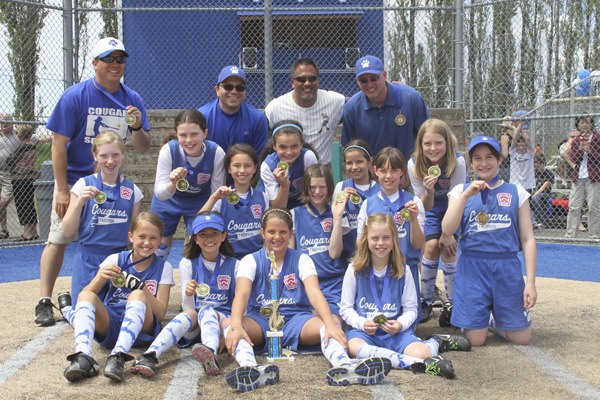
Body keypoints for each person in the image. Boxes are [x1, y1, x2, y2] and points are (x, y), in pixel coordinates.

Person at [35, 37, 151, 327]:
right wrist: (62, 189)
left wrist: (136, 125)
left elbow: (144, 145)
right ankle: (45, 300)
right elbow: (58, 145)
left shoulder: (133, 98)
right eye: (109, 59)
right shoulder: (76, 96)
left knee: (114, 238)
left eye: (120, 59)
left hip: (109, 180)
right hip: (76, 180)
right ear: (95, 63)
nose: (115, 64)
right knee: (58, 239)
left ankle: (112, 293)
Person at [223, 208, 350, 392]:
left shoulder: (302, 259)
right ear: (262, 233)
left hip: (296, 321)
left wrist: (330, 323)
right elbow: (242, 293)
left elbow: (314, 293)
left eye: (283, 232)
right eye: (271, 232)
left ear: (291, 233)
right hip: (261, 321)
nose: (277, 237)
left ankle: (344, 365)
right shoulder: (249, 261)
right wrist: (235, 326)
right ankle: (250, 368)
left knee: (331, 324)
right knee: (230, 323)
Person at [338, 213, 471, 381]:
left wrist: (400, 324)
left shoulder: (403, 270)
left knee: (422, 352)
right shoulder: (354, 270)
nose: (380, 243)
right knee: (353, 348)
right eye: (375, 238)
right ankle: (415, 363)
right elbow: (346, 309)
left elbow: (411, 309)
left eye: (386, 238)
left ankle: (436, 342)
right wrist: (362, 323)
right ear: (366, 239)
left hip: (394, 332)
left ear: (394, 239)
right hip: (364, 332)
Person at [442, 135, 537, 346]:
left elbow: (528, 238)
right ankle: (486, 316)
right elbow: (447, 229)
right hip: (472, 267)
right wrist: (466, 196)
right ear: (471, 162)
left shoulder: (516, 192)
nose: (483, 163)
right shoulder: (459, 191)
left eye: (489, 157)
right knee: (475, 340)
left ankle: (495, 318)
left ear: (500, 160)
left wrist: (530, 283)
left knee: (521, 339)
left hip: (506, 266)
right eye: (477, 158)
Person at [61, 211, 174, 383]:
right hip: (112, 324)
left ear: (160, 240)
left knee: (137, 294)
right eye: (141, 236)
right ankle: (84, 357)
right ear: (130, 236)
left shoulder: (164, 267)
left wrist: (142, 288)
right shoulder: (115, 259)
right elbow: (86, 295)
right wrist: (100, 277)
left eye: (153, 238)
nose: (146, 242)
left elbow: (160, 314)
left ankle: (118, 356)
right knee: (86, 295)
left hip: (142, 331)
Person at [132, 212, 238, 377]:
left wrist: (227, 332)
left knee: (208, 311)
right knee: (191, 312)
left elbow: (240, 302)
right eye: (203, 234)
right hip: (196, 324)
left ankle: (211, 354)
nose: (209, 239)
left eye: (214, 233)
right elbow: (188, 307)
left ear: (223, 236)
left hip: (223, 320)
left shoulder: (236, 264)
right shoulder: (187, 263)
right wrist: (188, 295)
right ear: (195, 239)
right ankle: (150, 355)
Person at [61, 131, 143, 303]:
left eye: (115, 155)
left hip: (119, 258)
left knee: (115, 313)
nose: (110, 161)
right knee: (86, 311)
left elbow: (134, 236)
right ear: (95, 156)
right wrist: (78, 203)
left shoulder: (133, 191)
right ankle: (68, 307)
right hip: (88, 257)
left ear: (123, 155)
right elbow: (68, 231)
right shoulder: (83, 185)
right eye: (104, 155)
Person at [407, 119, 467, 326]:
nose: (433, 148)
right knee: (431, 247)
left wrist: (448, 232)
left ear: (447, 143)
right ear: (420, 145)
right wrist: (429, 191)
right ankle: (426, 300)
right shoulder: (414, 164)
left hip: (453, 208)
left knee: (448, 248)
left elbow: (457, 197)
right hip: (430, 208)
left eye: (438, 143)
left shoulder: (457, 162)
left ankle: (452, 304)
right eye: (427, 143)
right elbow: (422, 205)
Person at [357, 147, 425, 325]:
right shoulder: (368, 205)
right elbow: (360, 243)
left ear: (402, 172)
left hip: (405, 271)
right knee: (377, 325)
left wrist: (415, 220)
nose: (389, 176)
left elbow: (417, 245)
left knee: (407, 326)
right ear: (375, 171)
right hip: (377, 273)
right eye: (383, 170)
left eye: (394, 170)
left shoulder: (413, 202)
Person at [150, 109, 225, 260]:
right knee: (159, 247)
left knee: (200, 242)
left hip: (199, 201)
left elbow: (218, 195)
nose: (189, 140)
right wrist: (172, 184)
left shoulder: (216, 152)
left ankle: (195, 279)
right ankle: (155, 279)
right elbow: (160, 193)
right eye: (183, 135)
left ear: (205, 133)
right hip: (168, 201)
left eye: (194, 134)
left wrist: (204, 219)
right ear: (176, 134)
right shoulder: (169, 150)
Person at [342, 55, 430, 161]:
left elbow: (427, 136)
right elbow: (350, 148)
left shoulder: (411, 98)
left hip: (409, 171)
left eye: (374, 78)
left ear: (384, 75)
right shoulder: (352, 108)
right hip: (373, 174)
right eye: (363, 81)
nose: (370, 84)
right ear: (357, 82)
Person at [264, 58, 345, 165]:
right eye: (301, 79)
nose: (307, 83)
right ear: (292, 82)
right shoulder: (275, 108)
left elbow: (357, 106)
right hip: (288, 169)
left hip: (321, 170)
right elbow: (264, 142)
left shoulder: (336, 102)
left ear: (318, 80)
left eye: (312, 78)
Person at [291, 164, 347, 316]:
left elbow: (335, 253)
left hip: (333, 284)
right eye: (312, 187)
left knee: (331, 318)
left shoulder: (338, 213)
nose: (317, 192)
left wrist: (337, 218)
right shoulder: (295, 214)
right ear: (305, 188)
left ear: (329, 187)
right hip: (306, 284)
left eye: (322, 187)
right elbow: (290, 257)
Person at [200, 144, 269, 259]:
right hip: (228, 258)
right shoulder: (221, 197)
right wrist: (214, 198)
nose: (242, 170)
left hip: (256, 257)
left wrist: (263, 252)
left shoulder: (262, 196)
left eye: (247, 166)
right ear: (229, 168)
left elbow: (267, 229)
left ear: (255, 168)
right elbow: (199, 221)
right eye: (236, 166)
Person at [198, 65, 268, 156]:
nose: (234, 91)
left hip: (244, 169)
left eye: (240, 87)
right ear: (217, 90)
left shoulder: (257, 118)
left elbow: (260, 158)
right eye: (228, 87)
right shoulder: (202, 116)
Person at [333, 140, 380, 267]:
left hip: (375, 255)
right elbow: (338, 226)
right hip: (348, 257)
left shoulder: (380, 190)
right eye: (349, 163)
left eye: (359, 161)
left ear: (370, 161)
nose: (354, 167)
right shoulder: (341, 187)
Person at [259, 120, 318, 209]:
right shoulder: (267, 166)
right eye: (282, 147)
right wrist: (284, 184)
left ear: (301, 144)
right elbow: (278, 207)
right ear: (274, 146)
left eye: (294, 146)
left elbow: (315, 193)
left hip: (300, 201)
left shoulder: (307, 157)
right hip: (273, 204)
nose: (289, 152)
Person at [565, 116, 600, 239]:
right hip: (578, 177)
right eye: (582, 123)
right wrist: (580, 150)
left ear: (591, 124)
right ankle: (571, 234)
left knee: (593, 206)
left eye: (587, 122)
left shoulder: (598, 138)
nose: (585, 125)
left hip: (594, 177)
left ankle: (594, 234)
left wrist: (590, 151)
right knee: (574, 206)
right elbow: (573, 159)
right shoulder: (575, 141)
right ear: (578, 125)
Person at [0, 113, 22, 239]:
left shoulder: (18, 135)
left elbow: (36, 137)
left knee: (3, 202)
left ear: (11, 123)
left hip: (9, 173)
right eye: (2, 122)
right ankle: (4, 230)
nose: (3, 125)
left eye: (6, 122)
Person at [501, 123, 536, 192]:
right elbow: (514, 139)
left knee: (527, 201)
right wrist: (520, 124)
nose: (521, 148)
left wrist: (521, 126)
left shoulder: (530, 153)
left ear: (526, 146)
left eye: (523, 145)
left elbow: (528, 139)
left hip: (527, 184)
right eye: (519, 146)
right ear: (516, 146)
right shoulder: (513, 153)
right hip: (515, 183)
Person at [530, 155, 555, 229]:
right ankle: (533, 222)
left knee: (535, 198)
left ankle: (542, 221)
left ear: (542, 164)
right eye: (535, 164)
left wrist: (534, 194)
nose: (536, 167)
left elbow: (544, 187)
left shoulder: (548, 173)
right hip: (532, 193)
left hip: (544, 194)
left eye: (538, 164)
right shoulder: (532, 173)